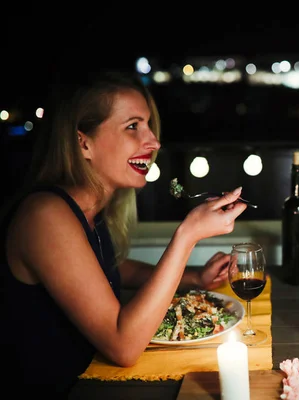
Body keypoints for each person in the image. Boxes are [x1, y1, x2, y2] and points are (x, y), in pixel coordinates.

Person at [0, 69, 249, 397]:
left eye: (148, 124)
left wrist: (195, 278)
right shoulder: (46, 216)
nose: (153, 141)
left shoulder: (87, 209)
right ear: (83, 143)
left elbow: (110, 268)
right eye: (133, 126)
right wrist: (187, 235)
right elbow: (124, 347)